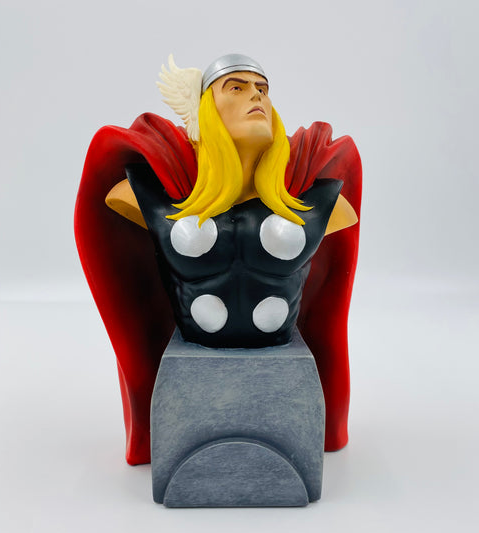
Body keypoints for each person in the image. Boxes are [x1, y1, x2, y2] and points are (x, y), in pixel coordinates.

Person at [75, 54, 362, 465]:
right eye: (237, 88)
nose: (256, 97)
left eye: (262, 89)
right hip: (192, 363)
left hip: (281, 366)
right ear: (207, 110)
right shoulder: (153, 201)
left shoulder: (318, 206)